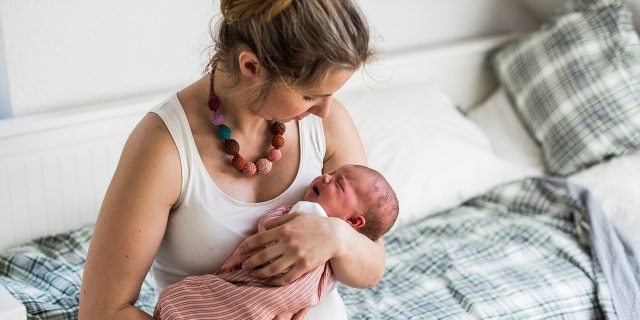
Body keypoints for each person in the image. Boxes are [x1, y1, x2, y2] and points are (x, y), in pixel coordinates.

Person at [79, 0, 383, 319]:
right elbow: (102, 311)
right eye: (311, 95)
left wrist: (336, 238)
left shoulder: (327, 124)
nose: (325, 110)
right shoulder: (164, 146)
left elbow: (372, 265)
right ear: (251, 66)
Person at [153, 164, 399, 319]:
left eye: (338, 183)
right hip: (257, 303)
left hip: (263, 305)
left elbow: (268, 227)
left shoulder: (307, 215)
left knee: (183, 299)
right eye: (331, 173)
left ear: (355, 221)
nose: (325, 176)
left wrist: (337, 236)